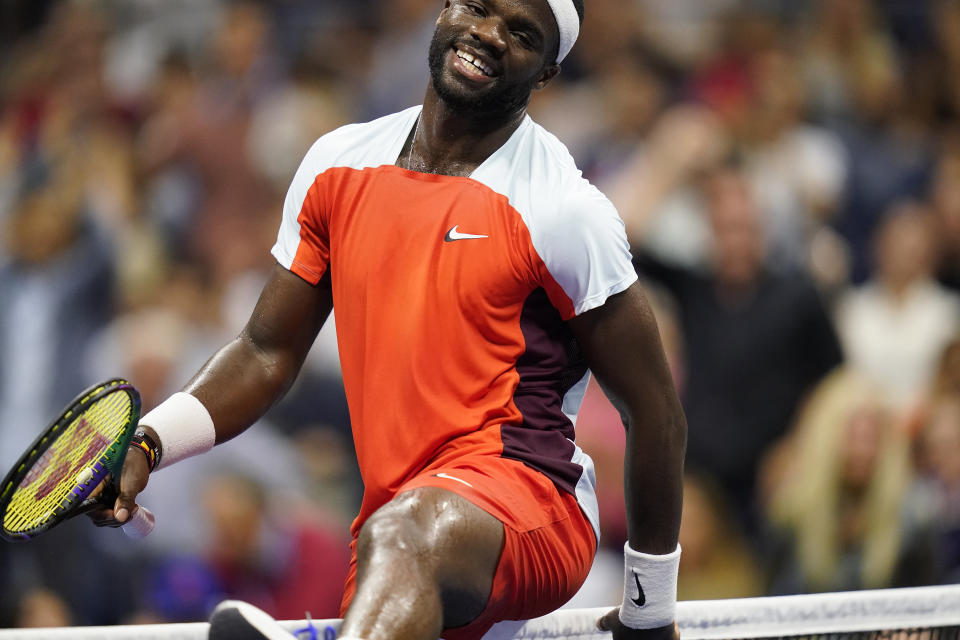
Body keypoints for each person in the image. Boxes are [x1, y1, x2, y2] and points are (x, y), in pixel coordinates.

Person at [90, 1, 687, 639]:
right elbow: (266, 351)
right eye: (477, 7)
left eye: (521, 34)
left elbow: (655, 410)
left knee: (405, 533)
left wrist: (649, 614)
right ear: (445, 10)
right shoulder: (336, 165)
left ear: (545, 73)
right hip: (394, 530)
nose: (487, 34)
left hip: (532, 505)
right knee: (398, 549)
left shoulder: (568, 213)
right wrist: (148, 444)